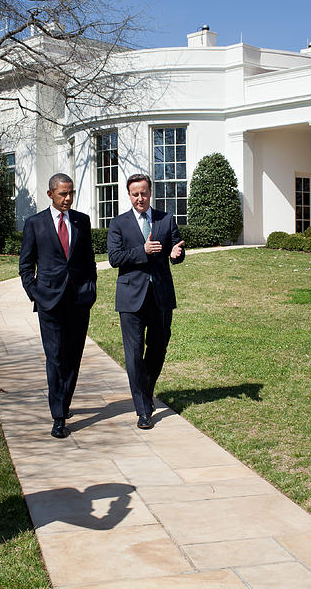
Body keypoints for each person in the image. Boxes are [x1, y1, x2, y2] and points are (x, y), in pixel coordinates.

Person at [19, 173, 97, 439]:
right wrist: (36, 294)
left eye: (71, 193)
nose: (68, 199)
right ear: (51, 194)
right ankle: (59, 416)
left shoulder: (82, 221)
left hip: (78, 300)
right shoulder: (35, 224)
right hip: (49, 302)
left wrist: (91, 290)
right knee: (55, 358)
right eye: (63, 194)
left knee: (73, 356)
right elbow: (26, 266)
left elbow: (89, 261)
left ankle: (64, 402)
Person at [107, 173, 185, 429]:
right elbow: (115, 258)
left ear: (150, 192)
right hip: (131, 298)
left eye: (144, 193)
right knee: (133, 353)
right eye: (135, 194)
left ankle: (146, 391)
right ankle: (143, 409)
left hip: (160, 296)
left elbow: (176, 248)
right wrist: (143, 251)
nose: (140, 198)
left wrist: (176, 254)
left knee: (159, 347)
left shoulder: (166, 219)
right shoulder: (119, 223)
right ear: (129, 196)